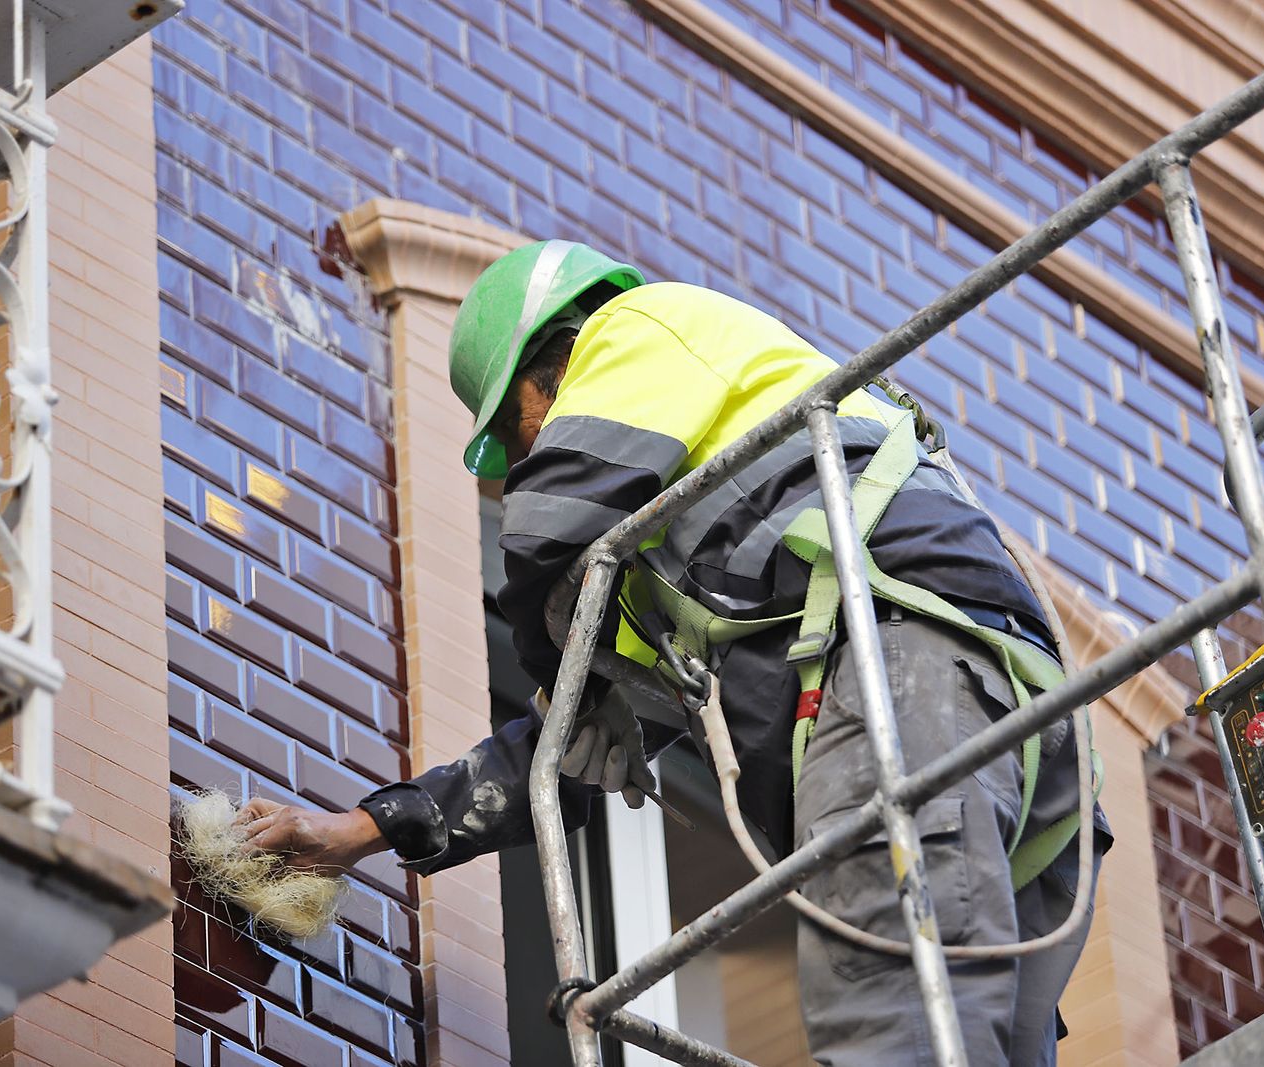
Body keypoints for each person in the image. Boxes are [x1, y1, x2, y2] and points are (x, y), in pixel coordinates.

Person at [235, 240, 1107, 1066]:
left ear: (562, 356)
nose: (525, 460)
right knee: (972, 1031)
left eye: (520, 430)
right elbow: (560, 748)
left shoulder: (640, 328)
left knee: (890, 1017)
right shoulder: (702, 546)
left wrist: (564, 646)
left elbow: (544, 531)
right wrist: (361, 830)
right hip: (999, 729)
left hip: (901, 674)